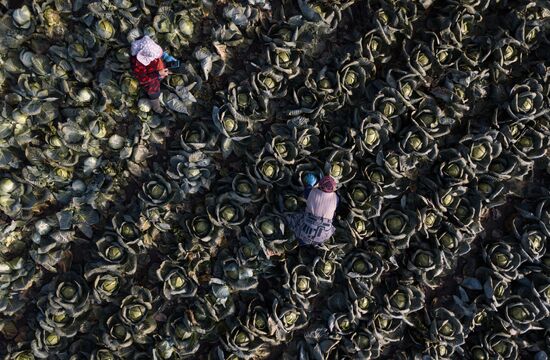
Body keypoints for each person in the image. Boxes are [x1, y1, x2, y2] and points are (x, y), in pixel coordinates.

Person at [286, 174, 339, 246]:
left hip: (306, 229)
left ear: (320, 185)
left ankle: (300, 241)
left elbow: (306, 190)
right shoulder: (336, 198)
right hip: (324, 235)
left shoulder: (312, 192)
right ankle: (307, 242)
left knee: (291, 218)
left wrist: (309, 183)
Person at [130, 36, 176, 114]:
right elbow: (142, 79)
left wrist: (167, 57)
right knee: (154, 86)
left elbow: (159, 55)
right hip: (149, 78)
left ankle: (175, 68)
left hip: (156, 68)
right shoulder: (138, 65)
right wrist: (158, 74)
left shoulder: (147, 44)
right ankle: (156, 107)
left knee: (170, 64)